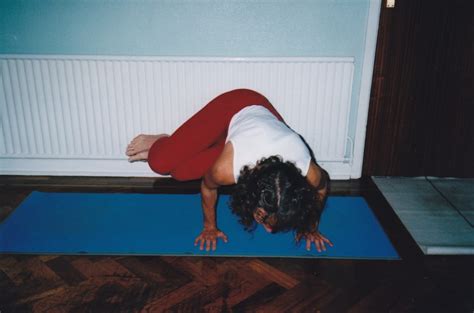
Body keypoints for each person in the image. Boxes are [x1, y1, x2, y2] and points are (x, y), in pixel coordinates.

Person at [125, 89, 332, 252]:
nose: (269, 231)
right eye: (262, 218)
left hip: (248, 133)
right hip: (240, 105)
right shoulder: (225, 170)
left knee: (180, 172)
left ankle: (216, 142)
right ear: (253, 195)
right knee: (160, 163)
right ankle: (163, 141)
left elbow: (321, 190)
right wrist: (209, 227)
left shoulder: (309, 173)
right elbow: (207, 188)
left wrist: (310, 229)